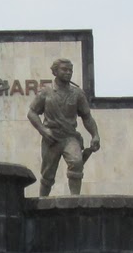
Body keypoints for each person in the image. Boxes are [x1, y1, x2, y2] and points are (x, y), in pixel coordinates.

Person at [27, 59, 100, 196]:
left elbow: (87, 117)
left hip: (69, 137)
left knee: (77, 162)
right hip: (51, 137)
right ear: (55, 71)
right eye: (64, 70)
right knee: (48, 175)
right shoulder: (46, 93)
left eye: (70, 70)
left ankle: (75, 199)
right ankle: (42, 201)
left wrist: (95, 134)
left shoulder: (78, 94)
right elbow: (32, 113)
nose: (68, 73)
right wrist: (43, 130)